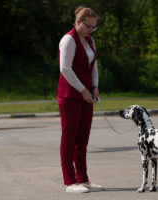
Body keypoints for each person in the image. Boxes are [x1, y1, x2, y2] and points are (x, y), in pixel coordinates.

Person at [57, 6, 103, 193]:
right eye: (88, 26)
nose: (92, 30)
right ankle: (70, 182)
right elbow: (65, 69)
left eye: (94, 27)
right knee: (69, 139)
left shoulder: (89, 40)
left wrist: (95, 86)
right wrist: (83, 90)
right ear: (77, 22)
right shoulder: (69, 40)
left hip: (86, 95)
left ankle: (83, 179)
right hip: (70, 96)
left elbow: (94, 66)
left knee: (82, 140)